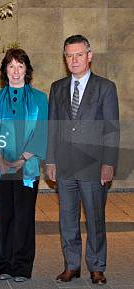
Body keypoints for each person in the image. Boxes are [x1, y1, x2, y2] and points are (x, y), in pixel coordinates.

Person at [46, 35, 119, 286]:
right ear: (64, 58)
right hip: (65, 166)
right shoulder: (57, 88)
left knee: (95, 218)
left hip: (94, 166)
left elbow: (111, 129)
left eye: (79, 54)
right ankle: (72, 265)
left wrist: (108, 164)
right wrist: (51, 161)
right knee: (67, 219)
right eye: (69, 55)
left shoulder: (106, 87)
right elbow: (52, 127)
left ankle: (97, 267)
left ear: (89, 56)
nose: (74, 60)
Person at [0, 49, 47, 282]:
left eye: (20, 66)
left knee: (24, 216)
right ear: (5, 71)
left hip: (27, 166)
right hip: (0, 167)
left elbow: (42, 132)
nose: (16, 71)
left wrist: (22, 160)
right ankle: (5, 265)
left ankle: (21, 266)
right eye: (11, 66)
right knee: (5, 216)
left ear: (27, 70)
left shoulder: (40, 98)